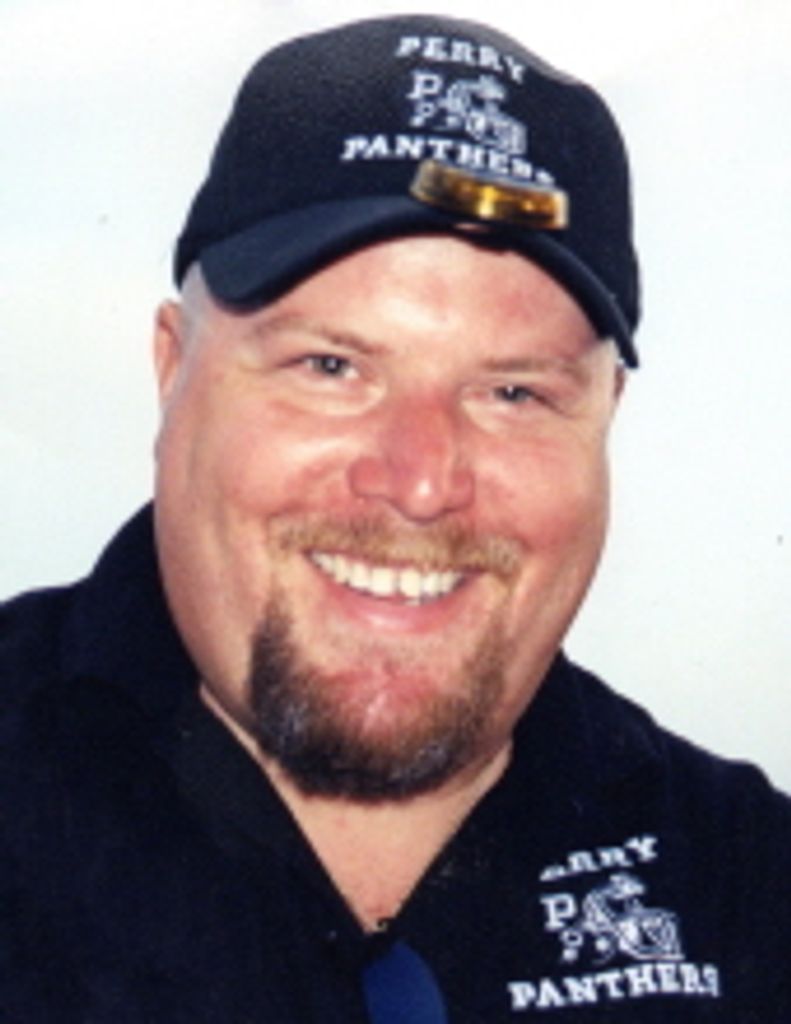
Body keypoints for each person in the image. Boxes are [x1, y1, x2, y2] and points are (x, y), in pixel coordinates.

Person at [1, 14, 788, 1023]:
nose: (419, 482)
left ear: (604, 419)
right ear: (172, 369)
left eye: (512, 393)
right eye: (331, 366)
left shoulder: (749, 889)